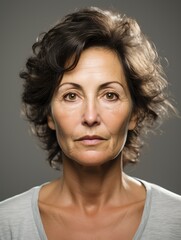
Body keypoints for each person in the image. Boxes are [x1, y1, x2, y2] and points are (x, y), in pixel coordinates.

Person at [0, 6, 180, 240]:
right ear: (49, 115)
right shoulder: (6, 225)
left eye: (110, 95)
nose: (91, 117)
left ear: (135, 113)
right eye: (71, 96)